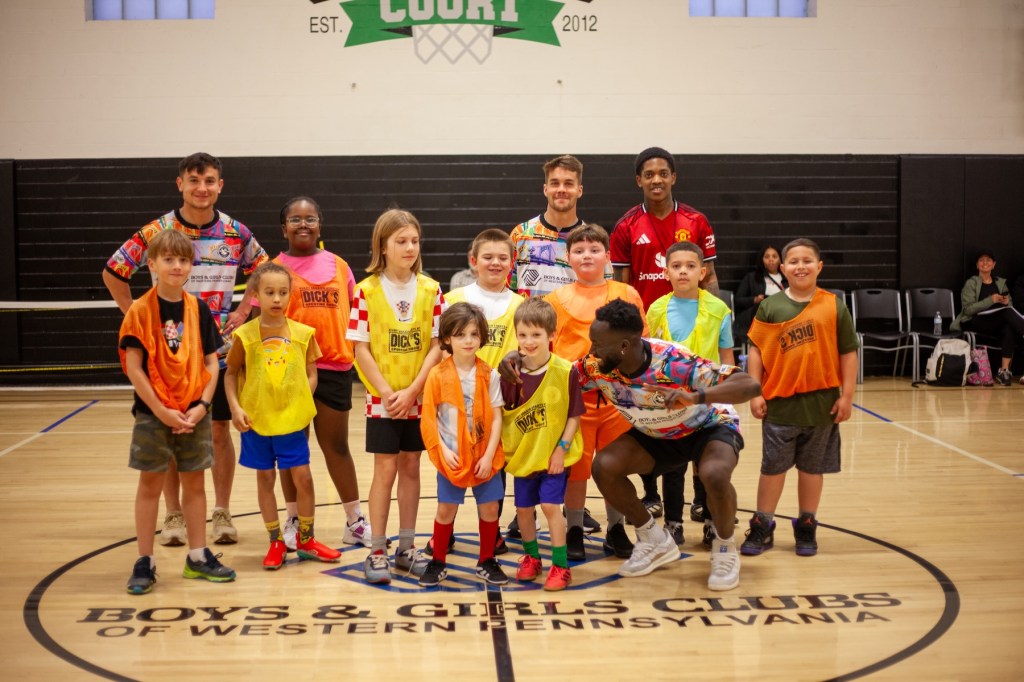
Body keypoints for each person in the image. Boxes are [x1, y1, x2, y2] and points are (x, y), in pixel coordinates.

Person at [103, 152, 267, 546]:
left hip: (216, 353)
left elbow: (264, 268)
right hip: (166, 358)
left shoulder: (235, 232)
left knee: (217, 428)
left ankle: (222, 511)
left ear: (220, 186)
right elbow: (113, 270)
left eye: (209, 180)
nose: (201, 188)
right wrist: (137, 318)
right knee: (171, 429)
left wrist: (245, 309)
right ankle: (173, 514)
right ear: (180, 184)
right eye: (194, 180)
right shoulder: (158, 230)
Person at [576, 299, 761, 590]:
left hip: (707, 426)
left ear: (624, 346)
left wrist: (694, 396)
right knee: (604, 466)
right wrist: (517, 361)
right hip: (658, 435)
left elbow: (749, 384)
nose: (592, 350)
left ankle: (725, 548)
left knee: (714, 474)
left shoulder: (673, 361)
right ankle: (654, 540)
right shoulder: (597, 364)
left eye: (597, 343)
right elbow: (559, 376)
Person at [119, 229, 235, 594]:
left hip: (192, 412)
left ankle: (198, 556)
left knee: (195, 483)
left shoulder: (198, 308)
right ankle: (144, 560)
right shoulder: (139, 311)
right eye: (168, 259)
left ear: (191, 266)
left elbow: (212, 362)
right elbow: (134, 368)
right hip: (155, 414)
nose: (176, 265)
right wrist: (161, 410)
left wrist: (202, 405)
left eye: (183, 260)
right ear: (152, 264)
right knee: (150, 484)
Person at [740, 238, 859, 558]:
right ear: (782, 269)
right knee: (773, 469)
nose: (801, 266)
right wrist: (755, 391)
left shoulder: (834, 305)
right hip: (780, 403)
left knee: (811, 469)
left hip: (822, 404)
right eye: (794, 261)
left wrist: (847, 396)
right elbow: (755, 351)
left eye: (808, 260)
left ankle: (807, 522)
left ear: (819, 267)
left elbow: (848, 352)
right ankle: (763, 523)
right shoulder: (771, 306)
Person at [347, 208, 443, 584]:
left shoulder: (432, 289)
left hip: (419, 397)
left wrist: (414, 389)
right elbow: (360, 349)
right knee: (384, 470)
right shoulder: (366, 290)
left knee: (411, 467)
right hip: (382, 401)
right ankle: (376, 551)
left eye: (414, 241)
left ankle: (406, 548)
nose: (409, 247)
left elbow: (437, 345)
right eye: (400, 241)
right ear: (382, 247)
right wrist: (389, 393)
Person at [224, 262, 341, 569]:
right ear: (255, 296)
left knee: (303, 476)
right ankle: (275, 541)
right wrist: (236, 408)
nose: (276, 299)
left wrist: (302, 397)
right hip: (257, 421)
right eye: (269, 292)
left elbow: (311, 372)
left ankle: (306, 539)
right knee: (266, 478)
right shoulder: (245, 336)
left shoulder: (303, 334)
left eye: (283, 292)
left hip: (290, 419)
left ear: (290, 295)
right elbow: (230, 373)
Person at [272, 197, 370, 551]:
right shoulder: (273, 269)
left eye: (309, 218)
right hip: (289, 371)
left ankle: (355, 521)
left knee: (337, 447)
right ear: (283, 228)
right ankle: (295, 520)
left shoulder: (340, 266)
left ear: (320, 224)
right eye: (294, 219)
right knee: (291, 451)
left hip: (334, 368)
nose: (302, 224)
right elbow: (260, 322)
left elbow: (355, 315)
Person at [544, 224, 646, 561]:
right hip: (576, 403)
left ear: (607, 256)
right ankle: (574, 527)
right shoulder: (555, 300)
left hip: (618, 400)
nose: (587, 255)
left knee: (613, 466)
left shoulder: (626, 294)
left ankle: (615, 528)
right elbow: (549, 352)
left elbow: (641, 344)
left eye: (594, 249)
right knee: (577, 468)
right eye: (579, 250)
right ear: (568, 257)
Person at [434, 229, 524, 555]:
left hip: (500, 404)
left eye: (502, 257)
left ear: (512, 262)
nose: (495, 263)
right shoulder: (453, 300)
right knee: (453, 466)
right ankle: (447, 531)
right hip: (457, 403)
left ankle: (494, 531)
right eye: (488, 257)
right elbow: (439, 346)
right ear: (474, 261)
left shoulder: (520, 304)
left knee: (492, 469)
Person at [643, 241, 735, 548]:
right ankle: (674, 522)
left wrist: (725, 394)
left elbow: (726, 358)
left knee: (705, 464)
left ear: (702, 271)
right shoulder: (656, 309)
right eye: (677, 266)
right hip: (670, 401)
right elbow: (651, 356)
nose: (683, 271)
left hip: (707, 399)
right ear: (665, 271)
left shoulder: (719, 309)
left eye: (690, 266)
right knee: (673, 465)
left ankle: (710, 521)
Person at [418, 303, 507, 587]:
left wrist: (489, 454)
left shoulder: (490, 374)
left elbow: (496, 418)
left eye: (473, 334)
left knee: (490, 508)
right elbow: (429, 417)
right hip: (452, 456)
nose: (468, 341)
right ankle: (438, 561)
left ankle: (487, 559)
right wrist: (442, 449)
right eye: (460, 335)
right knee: (446, 509)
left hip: (484, 454)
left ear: (481, 337)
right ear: (447, 339)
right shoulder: (437, 375)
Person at [500, 298, 585, 591]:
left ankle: (561, 566)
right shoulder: (511, 373)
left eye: (536, 335)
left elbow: (574, 415)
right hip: (524, 455)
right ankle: (531, 557)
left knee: (550, 505)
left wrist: (561, 447)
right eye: (522, 334)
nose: (528, 341)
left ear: (551, 335)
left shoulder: (565, 370)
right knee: (523, 510)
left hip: (553, 455)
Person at [610, 146, 719, 307]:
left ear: (673, 178)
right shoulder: (625, 226)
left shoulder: (697, 221)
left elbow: (708, 277)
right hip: (643, 321)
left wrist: (715, 319)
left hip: (689, 320)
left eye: (663, 174)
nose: (656, 180)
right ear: (639, 180)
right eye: (649, 175)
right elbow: (620, 285)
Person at [509, 154, 611, 299]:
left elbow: (606, 292)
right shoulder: (521, 233)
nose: (561, 189)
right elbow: (506, 291)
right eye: (555, 183)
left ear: (579, 190)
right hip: (529, 322)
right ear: (545, 189)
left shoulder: (593, 241)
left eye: (569, 184)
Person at [951, 249, 1024, 386]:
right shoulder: (971, 283)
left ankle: (1004, 371)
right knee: (1007, 313)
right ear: (977, 265)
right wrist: (991, 300)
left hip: (996, 322)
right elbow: (968, 309)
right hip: (976, 321)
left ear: (994, 264)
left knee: (1009, 327)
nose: (985, 263)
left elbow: (1011, 305)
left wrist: (1007, 302)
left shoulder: (1000, 283)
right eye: (981, 260)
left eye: (988, 260)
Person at [733, 245, 787, 346]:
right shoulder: (752, 278)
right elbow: (738, 300)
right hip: (757, 317)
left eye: (774, 256)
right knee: (763, 306)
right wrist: (754, 299)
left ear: (780, 259)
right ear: (761, 260)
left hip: (782, 317)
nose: (771, 260)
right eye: (767, 257)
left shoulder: (787, 278)